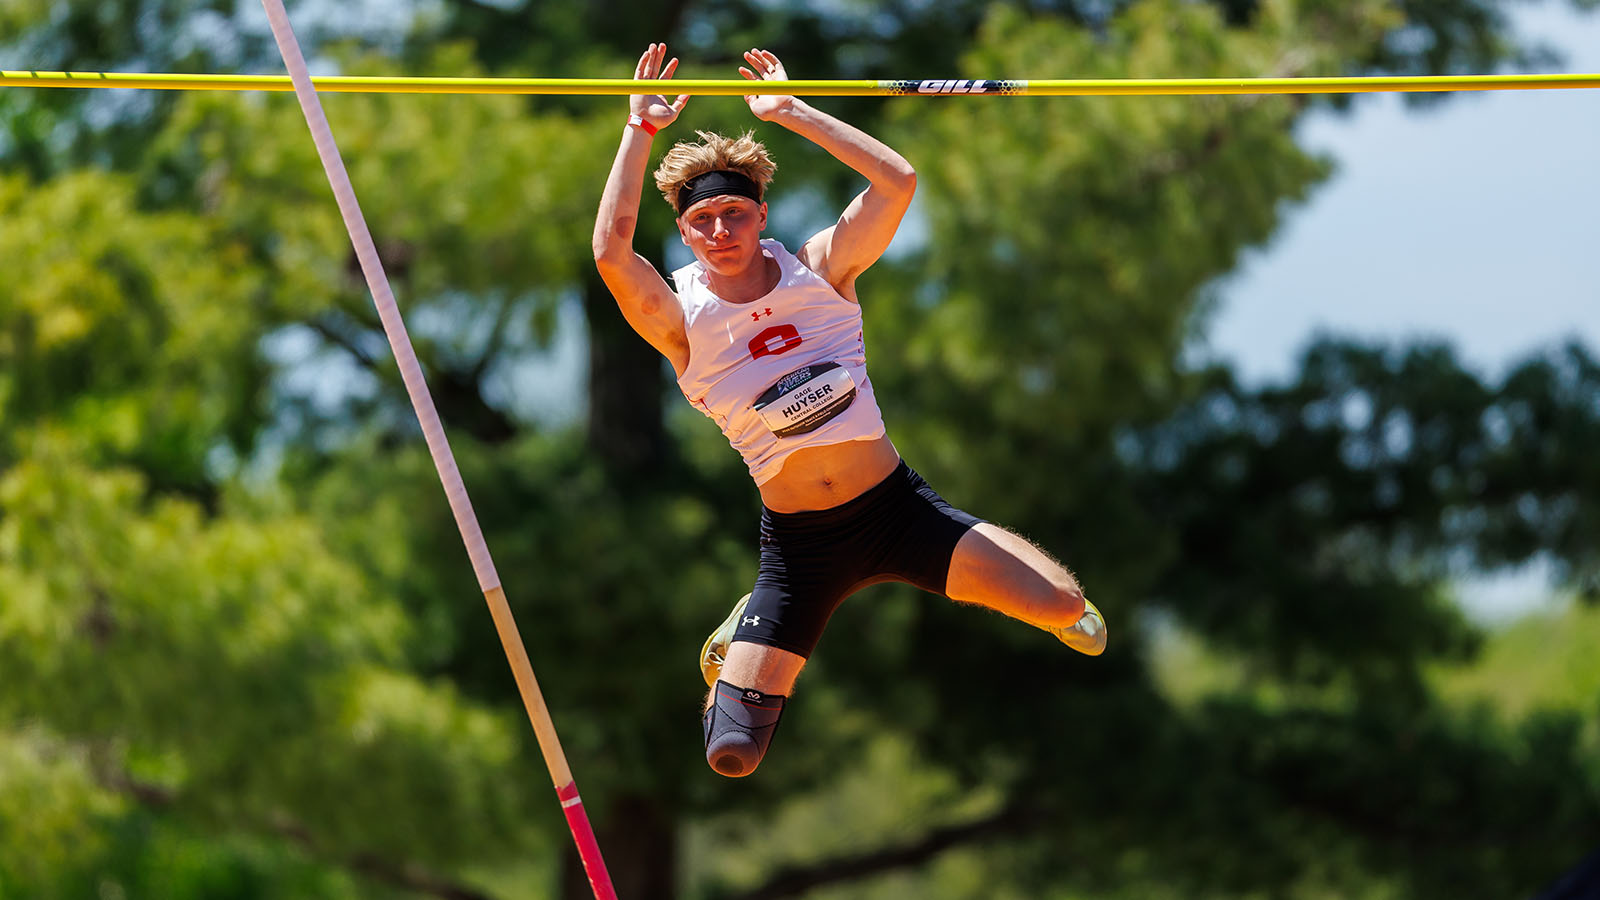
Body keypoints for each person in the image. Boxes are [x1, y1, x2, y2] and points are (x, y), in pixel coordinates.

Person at [592, 44, 1106, 779]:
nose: (719, 232)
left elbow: (897, 182)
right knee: (731, 754)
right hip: (801, 551)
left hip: (899, 513)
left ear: (760, 212)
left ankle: (1043, 589)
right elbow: (610, 251)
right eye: (702, 220)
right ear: (683, 233)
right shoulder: (680, 319)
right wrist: (636, 133)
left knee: (1065, 610)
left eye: (733, 213)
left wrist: (790, 112)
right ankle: (745, 627)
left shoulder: (822, 269)